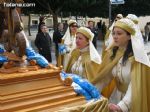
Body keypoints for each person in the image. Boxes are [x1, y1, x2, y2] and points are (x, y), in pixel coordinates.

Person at [91, 18, 150, 112]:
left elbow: (135, 85)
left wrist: (122, 106)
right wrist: (92, 90)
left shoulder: (137, 58)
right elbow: (105, 77)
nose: (114, 36)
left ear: (129, 36)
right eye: (113, 33)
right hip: (116, 96)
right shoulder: (113, 53)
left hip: (132, 101)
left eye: (119, 33)